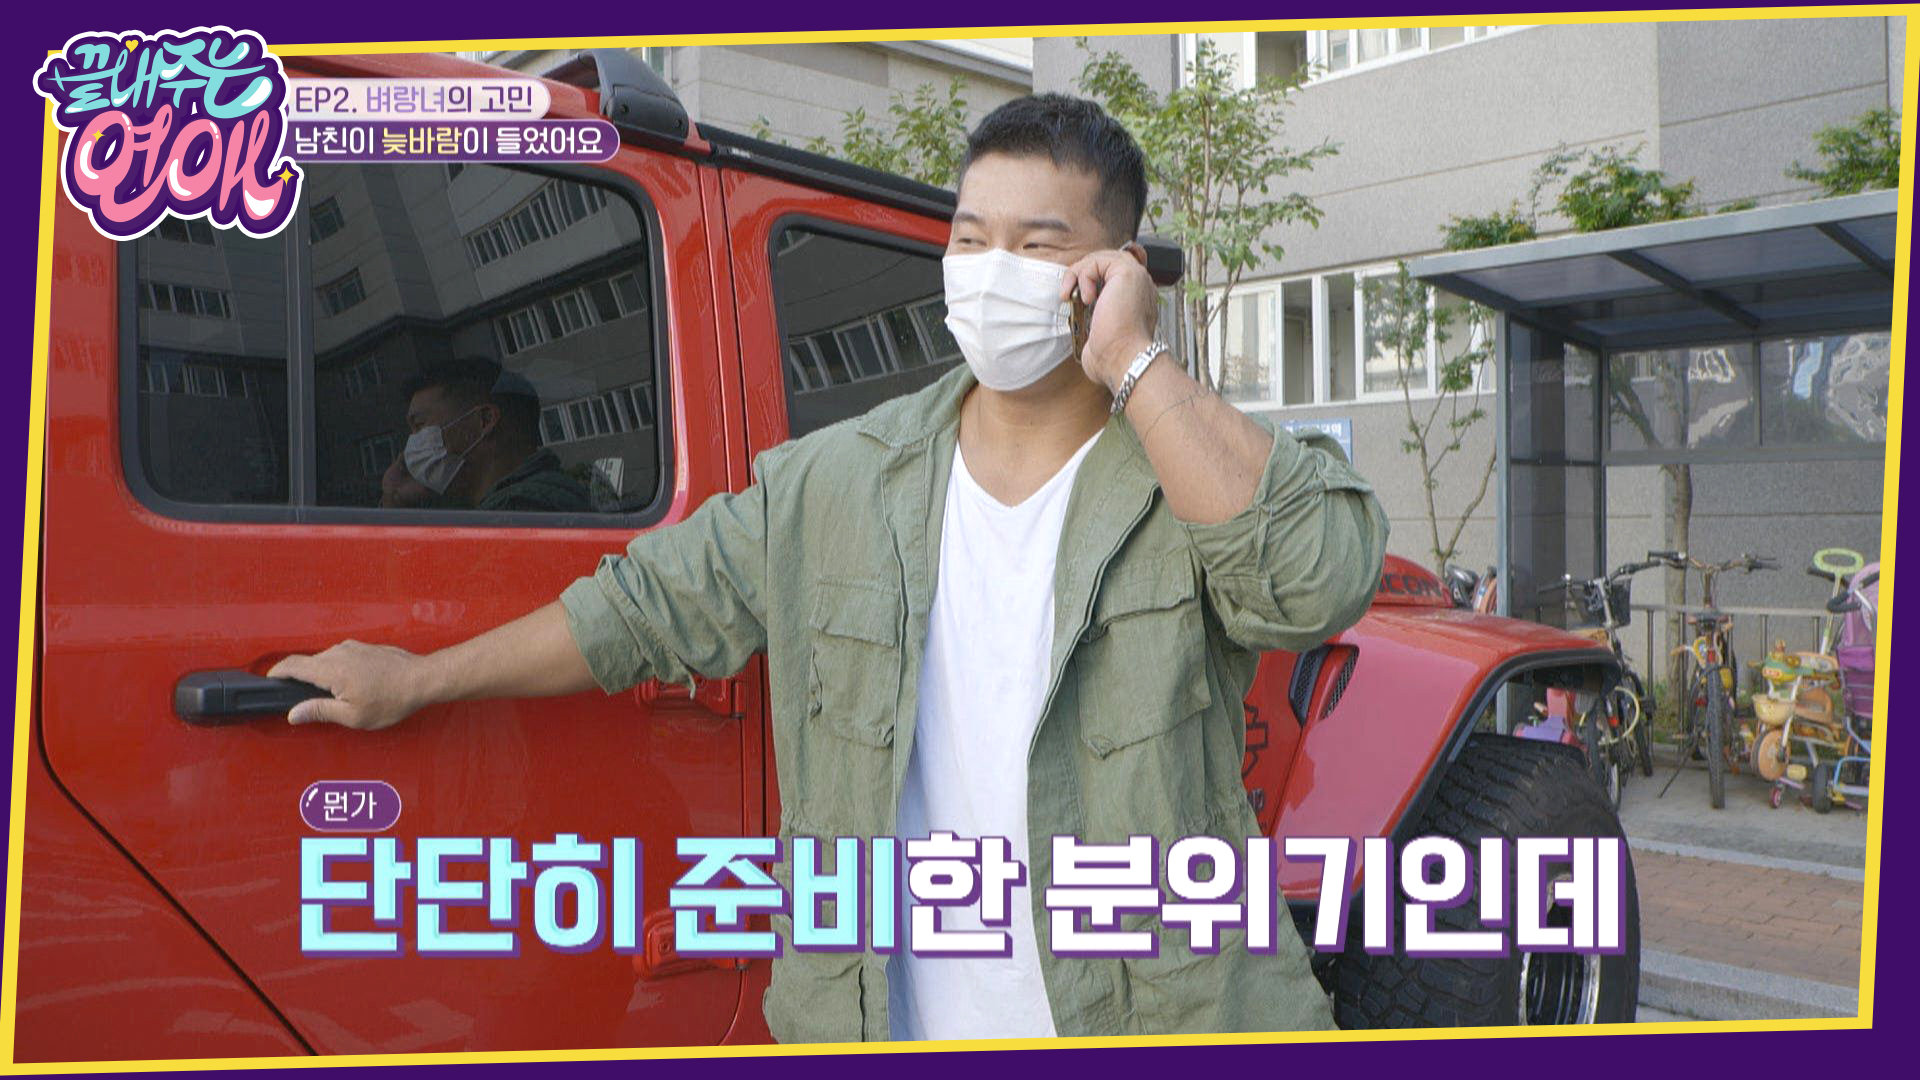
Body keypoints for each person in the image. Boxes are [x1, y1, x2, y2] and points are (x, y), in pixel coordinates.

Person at [271, 94, 1389, 1042]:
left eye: (1039, 247)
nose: (991, 273)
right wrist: (419, 679)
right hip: (879, 1020)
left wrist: (1136, 360)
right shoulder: (836, 481)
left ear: (1114, 270)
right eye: (970, 239)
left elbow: (1312, 581)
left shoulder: (1185, 469)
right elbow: (638, 610)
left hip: (1159, 1021)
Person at [382, 356, 591, 512]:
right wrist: (397, 500)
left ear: (485, 420)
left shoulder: (516, 512)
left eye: (419, 425)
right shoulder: (544, 499)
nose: (410, 446)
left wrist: (394, 504)